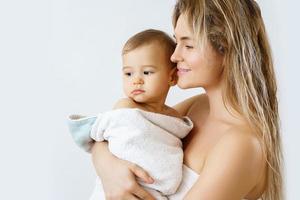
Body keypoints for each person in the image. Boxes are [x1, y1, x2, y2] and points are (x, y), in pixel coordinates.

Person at [90, 0, 284, 200]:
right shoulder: (197, 107)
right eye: (177, 42)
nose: (174, 56)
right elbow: (115, 130)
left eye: (188, 45)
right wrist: (109, 170)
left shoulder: (242, 145)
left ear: (226, 49)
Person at [68, 29, 194, 199]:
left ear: (171, 77)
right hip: (118, 186)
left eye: (147, 72)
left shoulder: (175, 118)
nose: (136, 80)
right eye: (128, 73)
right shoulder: (125, 107)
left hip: (154, 190)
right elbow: (98, 135)